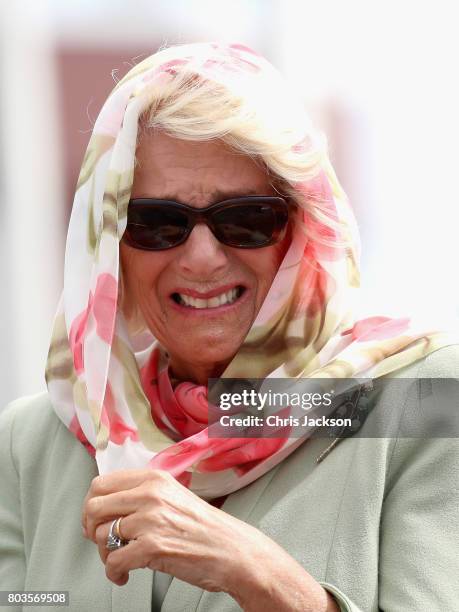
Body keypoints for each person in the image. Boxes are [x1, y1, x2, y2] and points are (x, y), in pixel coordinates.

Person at [1, 41, 458, 612]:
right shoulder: (38, 442)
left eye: (245, 219)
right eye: (157, 223)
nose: (201, 258)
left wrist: (258, 575)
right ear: (109, 247)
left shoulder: (423, 402)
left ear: (302, 231)